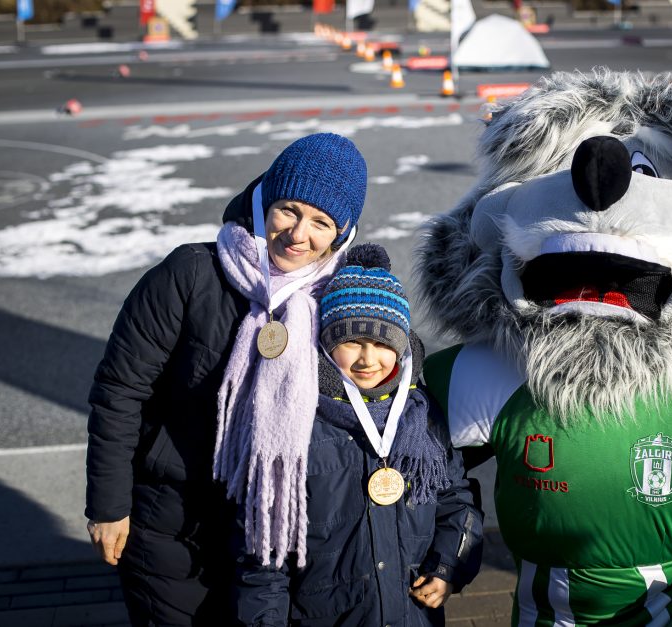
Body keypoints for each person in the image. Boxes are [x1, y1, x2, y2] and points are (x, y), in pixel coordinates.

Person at [85, 132, 369, 626]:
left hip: (277, 533)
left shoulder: (344, 299)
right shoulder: (190, 273)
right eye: (288, 210)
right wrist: (108, 506)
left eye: (321, 222)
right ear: (264, 201)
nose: (298, 234)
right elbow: (119, 392)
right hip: (173, 519)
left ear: (341, 235)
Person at [232, 244, 483, 626]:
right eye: (353, 342)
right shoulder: (296, 421)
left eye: (383, 343)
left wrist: (447, 566)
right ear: (328, 345)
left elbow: (455, 499)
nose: (368, 359)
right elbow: (265, 552)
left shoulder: (420, 414)